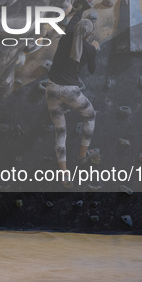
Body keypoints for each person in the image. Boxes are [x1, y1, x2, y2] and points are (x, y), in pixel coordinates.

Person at [45, 11, 98, 187]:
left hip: (51, 88)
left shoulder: (66, 37)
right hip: (71, 92)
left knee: (60, 131)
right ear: (88, 36)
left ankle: (64, 173)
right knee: (90, 117)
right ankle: (82, 155)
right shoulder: (89, 49)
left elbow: (74, 21)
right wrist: (94, 49)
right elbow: (92, 70)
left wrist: (80, 10)